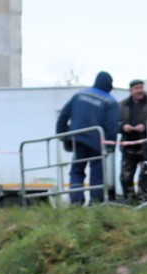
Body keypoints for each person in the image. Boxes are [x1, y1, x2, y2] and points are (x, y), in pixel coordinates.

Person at [55, 71, 121, 206]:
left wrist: (62, 134)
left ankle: (76, 200)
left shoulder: (80, 95)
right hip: (97, 142)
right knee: (97, 172)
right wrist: (110, 146)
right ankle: (96, 203)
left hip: (78, 139)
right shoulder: (110, 101)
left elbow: (63, 115)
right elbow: (112, 126)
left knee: (77, 170)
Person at [118, 78, 147, 203]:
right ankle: (129, 199)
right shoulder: (122, 105)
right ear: (131, 90)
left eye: (141, 87)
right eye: (136, 88)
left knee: (146, 175)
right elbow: (114, 123)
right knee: (125, 176)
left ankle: (145, 200)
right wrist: (123, 127)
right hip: (129, 145)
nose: (139, 90)